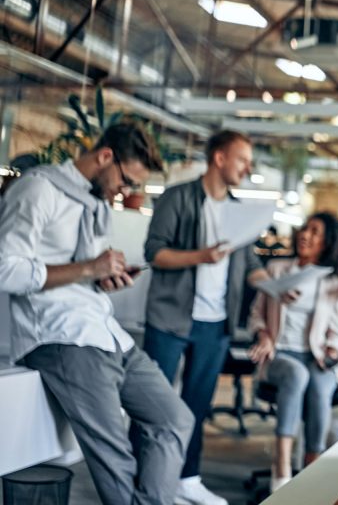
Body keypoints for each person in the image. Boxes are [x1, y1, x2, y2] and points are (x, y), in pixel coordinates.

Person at [0, 122, 193, 505]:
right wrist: (90, 269)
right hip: (61, 339)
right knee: (116, 460)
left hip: (106, 332)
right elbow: (6, 268)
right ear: (105, 157)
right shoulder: (39, 189)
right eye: (127, 181)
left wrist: (104, 278)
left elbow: (84, 271)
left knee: (174, 419)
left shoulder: (95, 205)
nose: (127, 192)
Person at [143, 130, 276, 505]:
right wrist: (201, 255)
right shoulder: (177, 198)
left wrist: (278, 287)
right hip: (169, 317)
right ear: (219, 158)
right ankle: (145, 478)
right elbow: (155, 253)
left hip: (214, 323)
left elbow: (249, 264)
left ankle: (187, 479)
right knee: (153, 402)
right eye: (242, 160)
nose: (247, 168)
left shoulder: (240, 212)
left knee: (197, 404)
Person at [248, 212, 338, 491]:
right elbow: (255, 314)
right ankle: (281, 465)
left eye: (315, 232)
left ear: (326, 243)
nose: (305, 235)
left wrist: (331, 351)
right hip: (279, 355)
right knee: (296, 374)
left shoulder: (331, 282)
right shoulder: (277, 269)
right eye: (305, 229)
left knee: (320, 382)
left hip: (314, 356)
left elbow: (337, 336)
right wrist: (264, 334)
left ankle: (311, 465)